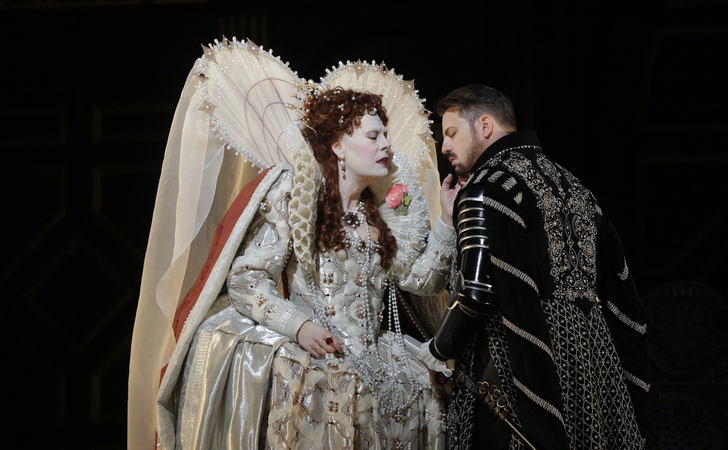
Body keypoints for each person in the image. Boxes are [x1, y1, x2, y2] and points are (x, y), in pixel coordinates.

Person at [128, 38, 457, 450]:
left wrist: (445, 220)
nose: (387, 145)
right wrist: (298, 326)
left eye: (386, 135)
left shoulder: (388, 209)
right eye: (373, 136)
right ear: (338, 145)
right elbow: (247, 280)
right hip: (316, 365)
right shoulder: (295, 193)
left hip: (381, 364)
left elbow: (421, 281)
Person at [429, 85, 649, 450]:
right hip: (592, 373)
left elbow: (476, 295)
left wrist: (437, 350)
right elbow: (623, 294)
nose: (444, 147)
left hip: (520, 370)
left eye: (451, 133)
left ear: (485, 126)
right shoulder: (574, 185)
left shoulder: (484, 188)